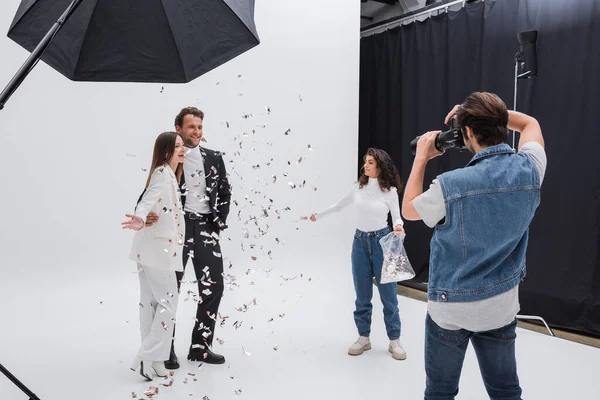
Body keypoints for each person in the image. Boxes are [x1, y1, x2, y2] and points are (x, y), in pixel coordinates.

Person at [402, 92, 546, 400]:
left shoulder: (450, 185)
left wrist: (422, 157)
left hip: (450, 308)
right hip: (500, 305)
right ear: (501, 126)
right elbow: (530, 123)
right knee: (506, 391)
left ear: (466, 132)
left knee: (440, 392)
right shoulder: (530, 170)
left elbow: (409, 210)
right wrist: (486, 114)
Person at [143, 107, 232, 368]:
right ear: (178, 129)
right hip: (176, 231)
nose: (197, 131)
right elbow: (151, 190)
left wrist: (218, 222)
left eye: (200, 127)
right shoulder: (172, 157)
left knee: (214, 286)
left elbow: (225, 192)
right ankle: (165, 349)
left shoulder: (214, 157)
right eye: (191, 127)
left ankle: (200, 347)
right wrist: (145, 214)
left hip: (206, 228)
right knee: (171, 290)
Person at [309, 148, 407, 360]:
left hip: (383, 243)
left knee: (389, 296)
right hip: (360, 244)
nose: (366, 165)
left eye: (370, 162)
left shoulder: (390, 191)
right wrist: (318, 215)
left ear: (380, 165)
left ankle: (394, 340)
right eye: (365, 162)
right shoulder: (358, 189)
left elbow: (397, 218)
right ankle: (364, 338)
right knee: (362, 296)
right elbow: (338, 206)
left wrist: (399, 227)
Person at [122, 132, 186, 381]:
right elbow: (147, 200)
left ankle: (156, 361)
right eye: (177, 147)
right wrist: (140, 218)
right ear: (166, 151)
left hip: (152, 250)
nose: (182, 151)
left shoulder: (169, 174)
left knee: (151, 305)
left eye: (183, 147)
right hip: (156, 251)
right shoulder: (161, 174)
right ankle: (144, 357)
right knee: (168, 302)